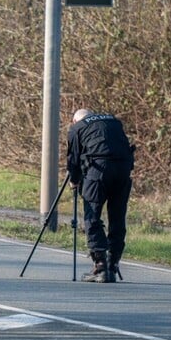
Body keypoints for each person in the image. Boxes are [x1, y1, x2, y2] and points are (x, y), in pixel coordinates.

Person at [66, 108, 135, 283]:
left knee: (92, 216)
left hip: (98, 171)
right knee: (117, 217)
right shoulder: (114, 121)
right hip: (123, 171)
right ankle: (113, 264)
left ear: (75, 121)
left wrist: (74, 180)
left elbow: (73, 159)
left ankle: (100, 267)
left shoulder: (77, 128)